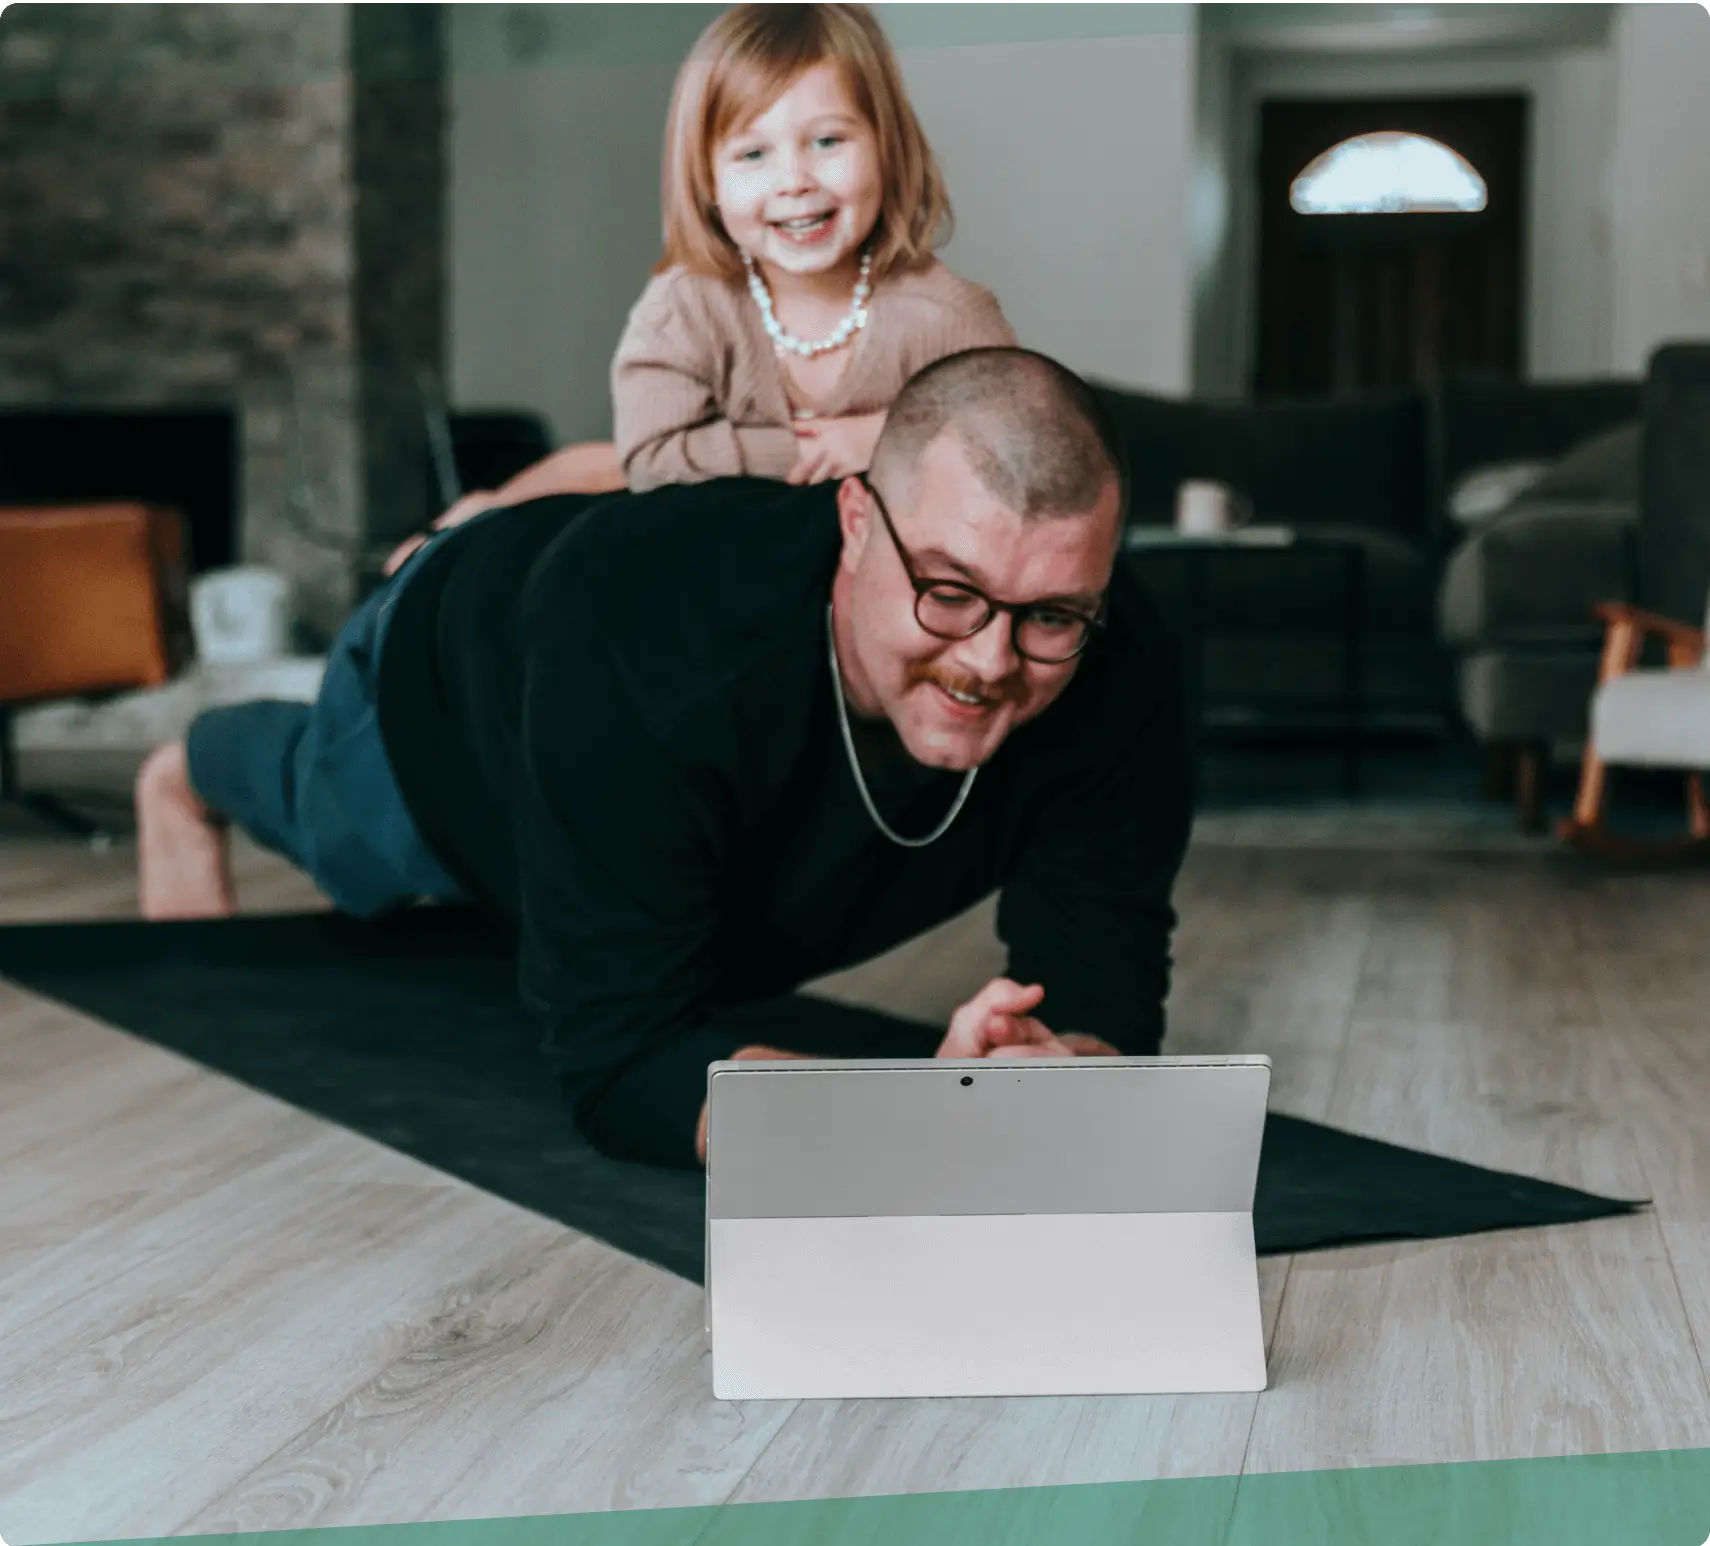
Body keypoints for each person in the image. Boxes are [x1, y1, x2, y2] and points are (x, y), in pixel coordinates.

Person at [135, 347, 1193, 1172]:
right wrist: (915, 1119)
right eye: (949, 591)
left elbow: (1099, 992)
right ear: (857, 522)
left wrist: (1052, 1072)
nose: (990, 662)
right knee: (345, 841)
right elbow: (623, 1068)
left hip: (631, 664)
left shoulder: (1119, 659)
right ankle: (195, 763)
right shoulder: (645, 655)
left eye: (1050, 614)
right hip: (454, 669)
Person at [381, 0, 1014, 574]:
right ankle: (473, 518)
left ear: (888, 149)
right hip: (705, 540)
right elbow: (652, 461)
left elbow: (1015, 447)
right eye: (752, 155)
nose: (794, 180)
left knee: (609, 467)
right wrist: (818, 448)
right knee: (598, 476)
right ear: (707, 180)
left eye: (828, 141)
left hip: (853, 570)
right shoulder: (686, 305)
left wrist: (883, 438)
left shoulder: (947, 315)